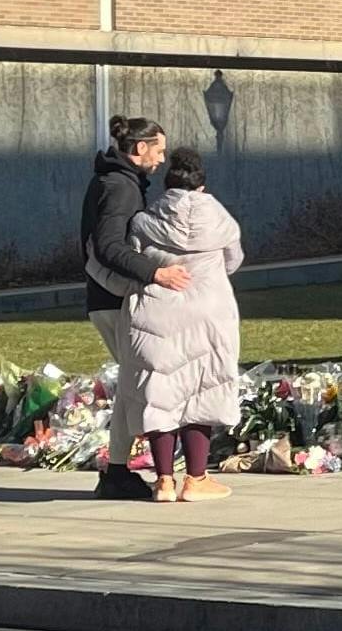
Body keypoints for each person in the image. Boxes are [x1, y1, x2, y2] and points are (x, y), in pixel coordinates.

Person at [124, 148, 244, 502]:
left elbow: (132, 255)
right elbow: (233, 261)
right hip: (209, 310)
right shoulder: (221, 219)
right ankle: (197, 478)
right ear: (202, 186)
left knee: (159, 395)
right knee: (202, 391)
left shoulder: (145, 219)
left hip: (156, 309)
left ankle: (163, 481)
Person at [81, 114, 189, 500]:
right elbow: (110, 247)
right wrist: (156, 273)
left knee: (130, 387)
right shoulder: (120, 187)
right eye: (158, 149)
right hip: (116, 302)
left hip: (106, 300)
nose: (161, 159)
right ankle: (117, 471)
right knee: (132, 388)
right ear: (140, 148)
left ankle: (118, 471)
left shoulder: (115, 181)